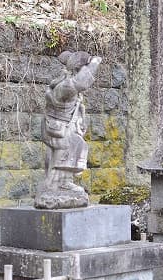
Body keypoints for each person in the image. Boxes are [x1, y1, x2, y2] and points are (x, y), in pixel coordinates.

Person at [41, 51, 102, 193]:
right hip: (57, 130)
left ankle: (63, 182)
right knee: (72, 145)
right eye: (82, 69)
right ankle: (58, 184)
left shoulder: (67, 84)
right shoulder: (65, 87)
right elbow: (81, 82)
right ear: (77, 70)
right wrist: (93, 64)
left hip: (64, 127)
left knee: (73, 146)